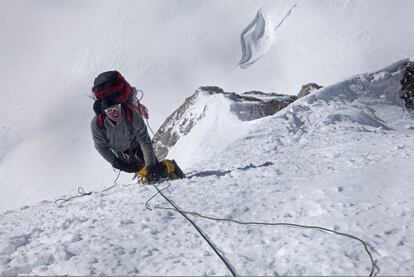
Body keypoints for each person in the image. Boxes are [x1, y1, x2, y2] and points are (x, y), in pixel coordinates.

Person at [90, 71, 184, 183]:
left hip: (137, 146)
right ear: (104, 112)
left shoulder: (131, 114)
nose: (115, 112)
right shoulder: (97, 124)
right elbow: (101, 147)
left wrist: (150, 166)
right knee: (145, 173)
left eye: (116, 108)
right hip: (122, 153)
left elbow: (145, 141)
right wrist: (116, 163)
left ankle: (171, 166)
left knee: (154, 172)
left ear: (120, 105)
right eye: (110, 110)